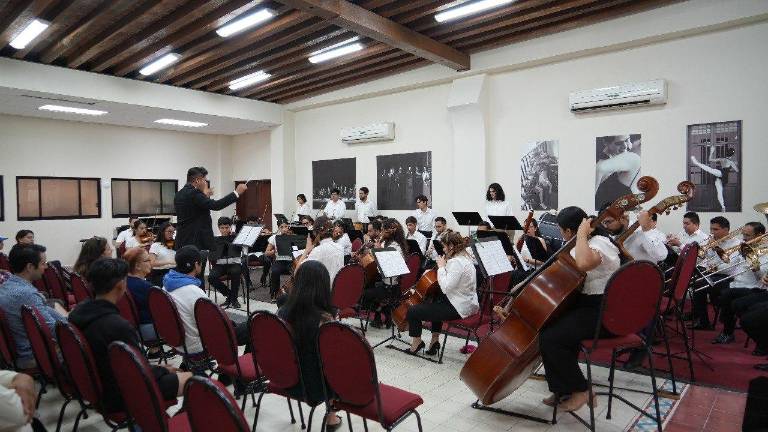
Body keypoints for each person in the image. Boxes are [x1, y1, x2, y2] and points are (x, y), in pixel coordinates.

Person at [69, 258, 192, 413]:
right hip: (123, 392)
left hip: (97, 385)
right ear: (121, 285)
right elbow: (138, 373)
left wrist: (156, 368)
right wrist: (162, 371)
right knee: (193, 380)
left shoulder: (78, 313)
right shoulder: (117, 326)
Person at [536, 206, 621, 411]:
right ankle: (562, 389)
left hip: (605, 311)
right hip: (589, 305)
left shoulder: (600, 243)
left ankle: (581, 390)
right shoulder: (583, 244)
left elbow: (583, 263)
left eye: (561, 230)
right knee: (549, 329)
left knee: (552, 337)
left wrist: (582, 234)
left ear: (567, 231)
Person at [277, 261, 343, 430]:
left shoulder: (282, 312)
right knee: (338, 364)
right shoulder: (325, 319)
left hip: (285, 379)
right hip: (313, 388)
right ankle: (332, 417)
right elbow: (333, 359)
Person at [405, 232, 478, 356]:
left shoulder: (456, 262)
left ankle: (417, 343)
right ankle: (434, 342)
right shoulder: (465, 259)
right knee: (435, 299)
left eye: (444, 246)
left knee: (413, 311)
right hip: (466, 303)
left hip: (458, 308)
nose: (443, 249)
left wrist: (441, 267)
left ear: (451, 246)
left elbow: (445, 287)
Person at [174, 166, 247, 285]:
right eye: (204, 180)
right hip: (195, 241)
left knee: (186, 274)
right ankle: (200, 301)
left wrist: (204, 195)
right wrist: (236, 193)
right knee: (197, 275)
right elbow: (216, 205)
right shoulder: (194, 194)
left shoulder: (180, 194)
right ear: (198, 180)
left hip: (183, 240)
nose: (205, 182)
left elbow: (196, 211)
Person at [0, 244, 67, 369]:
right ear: (30, 267)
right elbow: (56, 331)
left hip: (21, 349)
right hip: (33, 355)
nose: (46, 267)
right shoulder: (27, 294)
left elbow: (45, 311)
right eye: (43, 263)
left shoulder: (6, 285)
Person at [711, 222, 767, 344]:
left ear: (759, 235)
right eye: (743, 234)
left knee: (727, 295)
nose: (744, 238)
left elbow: (762, 277)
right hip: (737, 282)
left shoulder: (765, 251)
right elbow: (732, 266)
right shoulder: (745, 247)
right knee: (713, 287)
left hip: (754, 287)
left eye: (748, 235)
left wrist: (755, 265)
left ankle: (727, 331)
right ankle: (726, 318)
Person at [690, 216, 742, 329]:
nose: (712, 232)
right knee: (696, 283)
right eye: (711, 229)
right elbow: (708, 258)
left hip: (729, 277)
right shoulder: (714, 240)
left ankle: (721, 314)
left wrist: (713, 267)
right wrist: (710, 249)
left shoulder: (736, 243)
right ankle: (703, 321)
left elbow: (730, 267)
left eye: (716, 229)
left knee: (700, 285)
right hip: (714, 275)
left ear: (726, 229)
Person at [162, 246, 208, 356]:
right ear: (196, 265)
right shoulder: (196, 292)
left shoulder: (165, 285)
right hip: (195, 345)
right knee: (250, 328)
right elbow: (211, 324)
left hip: (176, 341)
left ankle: (187, 366)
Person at [122, 247, 161, 345]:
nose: (150, 263)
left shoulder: (122, 282)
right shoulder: (146, 287)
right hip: (146, 330)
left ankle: (154, 351)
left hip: (129, 328)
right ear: (137, 266)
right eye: (147, 260)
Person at [594, 135, 641, 210]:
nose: (625, 146)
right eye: (619, 143)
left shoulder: (629, 157)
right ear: (606, 143)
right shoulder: (600, 165)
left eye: (627, 140)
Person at [690, 145, 739, 212]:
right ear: (732, 155)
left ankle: (723, 206)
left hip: (720, 176)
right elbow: (737, 170)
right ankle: (723, 207)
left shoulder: (722, 159)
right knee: (719, 192)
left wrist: (711, 151)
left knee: (710, 170)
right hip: (723, 177)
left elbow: (710, 159)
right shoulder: (731, 162)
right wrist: (735, 164)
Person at [208, 217, 243, 309]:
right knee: (211, 277)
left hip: (234, 263)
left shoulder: (236, 238)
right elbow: (211, 256)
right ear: (219, 228)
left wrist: (235, 241)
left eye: (227, 227)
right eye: (222, 228)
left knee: (236, 272)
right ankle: (230, 295)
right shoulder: (215, 240)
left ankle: (234, 300)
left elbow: (241, 251)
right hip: (220, 265)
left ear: (230, 227)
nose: (224, 230)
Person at [297, 217, 345, 284]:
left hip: (322, 292)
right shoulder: (340, 248)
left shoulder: (318, 251)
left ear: (315, 232)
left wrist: (306, 251)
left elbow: (297, 272)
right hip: (336, 289)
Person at [267, 221, 293, 301]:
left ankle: (294, 293)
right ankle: (275, 293)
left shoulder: (293, 237)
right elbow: (267, 252)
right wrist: (274, 251)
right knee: (275, 271)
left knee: (298, 270)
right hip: (279, 261)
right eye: (282, 227)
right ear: (278, 228)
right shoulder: (274, 238)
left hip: (291, 261)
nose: (284, 229)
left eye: (286, 227)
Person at [148, 222, 176, 286]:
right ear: (162, 231)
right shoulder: (155, 245)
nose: (171, 234)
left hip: (173, 272)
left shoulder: (174, 245)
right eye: (169, 232)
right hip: (160, 274)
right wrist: (168, 262)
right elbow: (151, 263)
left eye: (173, 232)